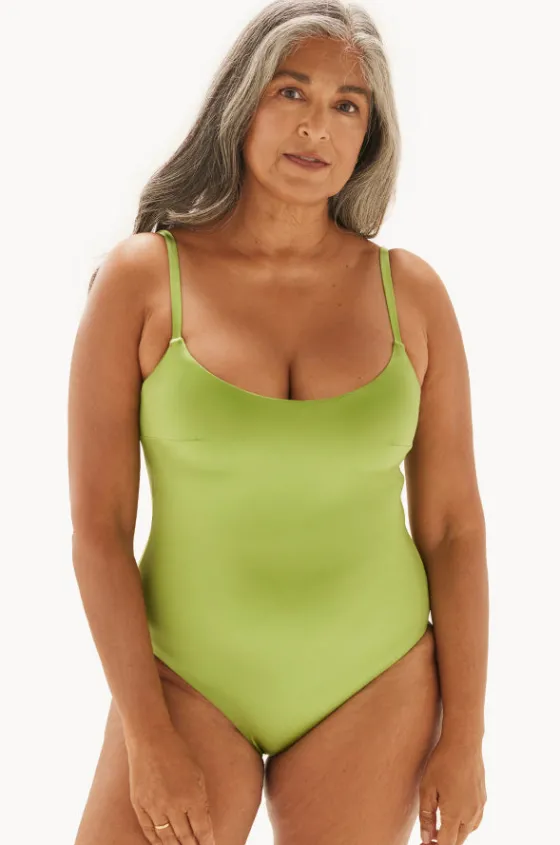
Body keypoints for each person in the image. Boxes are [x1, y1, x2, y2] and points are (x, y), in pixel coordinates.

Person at [68, 2, 488, 843]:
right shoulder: (143, 280)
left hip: (376, 678)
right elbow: (99, 528)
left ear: (369, 135)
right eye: (290, 92)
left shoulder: (411, 294)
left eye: (346, 105)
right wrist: (146, 733)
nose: (315, 127)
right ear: (242, 102)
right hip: (186, 677)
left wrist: (466, 735)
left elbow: (452, 529)